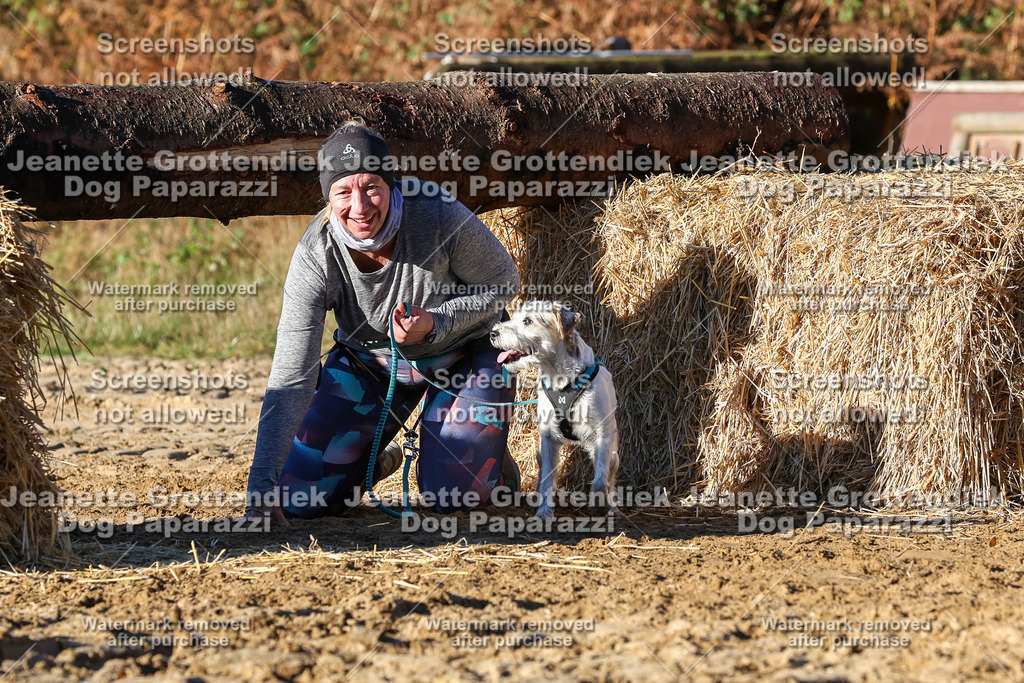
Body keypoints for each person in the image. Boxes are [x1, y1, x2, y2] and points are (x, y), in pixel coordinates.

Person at [244, 120, 521, 524]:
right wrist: (261, 486)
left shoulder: (436, 211)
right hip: (371, 365)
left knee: (454, 498)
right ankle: (371, 461)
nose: (360, 208)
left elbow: (504, 281)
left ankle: (488, 464)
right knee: (298, 500)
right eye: (343, 192)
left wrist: (438, 322)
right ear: (327, 196)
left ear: (391, 184)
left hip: (466, 353)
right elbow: (291, 375)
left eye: (371, 187)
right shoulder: (316, 253)